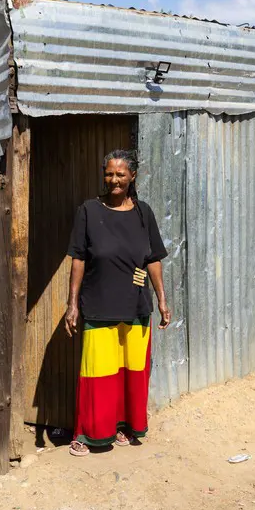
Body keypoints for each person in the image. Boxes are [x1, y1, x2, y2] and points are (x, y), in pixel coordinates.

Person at [65, 149, 171, 457]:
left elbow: (152, 259)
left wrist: (162, 300)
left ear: (132, 176)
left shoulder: (143, 212)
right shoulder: (88, 210)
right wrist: (72, 304)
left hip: (136, 306)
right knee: (97, 374)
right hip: (98, 305)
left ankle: (125, 425)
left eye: (120, 174)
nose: (114, 180)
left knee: (131, 373)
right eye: (109, 173)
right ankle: (90, 434)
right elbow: (78, 258)